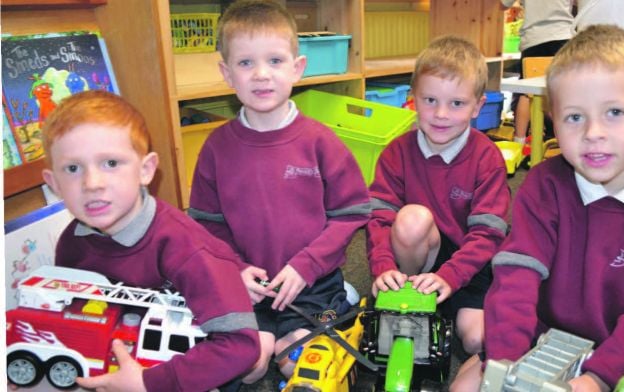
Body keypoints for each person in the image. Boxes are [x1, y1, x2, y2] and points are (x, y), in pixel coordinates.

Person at [475, 25, 624, 391]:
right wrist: (505, 366)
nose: (593, 132)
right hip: (547, 347)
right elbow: (515, 279)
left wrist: (597, 378)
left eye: (614, 112)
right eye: (575, 117)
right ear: (553, 122)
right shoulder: (544, 183)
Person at [187, 0, 371, 384]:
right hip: (248, 289)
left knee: (300, 364)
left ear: (297, 68)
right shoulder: (216, 147)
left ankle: (340, 300)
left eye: (274, 61)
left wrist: (306, 266)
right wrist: (234, 269)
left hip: (310, 285)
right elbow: (206, 224)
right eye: (245, 63)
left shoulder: (321, 142)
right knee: (248, 368)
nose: (260, 75)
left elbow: (352, 212)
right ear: (226, 73)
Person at [39, 90, 260, 392]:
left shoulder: (188, 249)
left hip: (188, 368)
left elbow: (239, 345)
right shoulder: (71, 242)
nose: (92, 184)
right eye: (73, 169)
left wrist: (148, 383)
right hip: (121, 354)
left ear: (145, 170)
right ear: (55, 185)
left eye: (111, 163)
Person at [365, 35, 511, 392]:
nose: (442, 114)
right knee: (412, 217)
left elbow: (488, 234)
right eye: (430, 100)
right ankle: (407, 298)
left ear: (478, 106)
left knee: (477, 339)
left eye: (457, 103)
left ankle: (443, 312)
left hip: (470, 264)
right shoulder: (396, 151)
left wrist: (451, 277)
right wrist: (383, 267)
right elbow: (379, 218)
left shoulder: (486, 157)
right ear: (413, 97)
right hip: (419, 255)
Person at [500, 0, 574, 145]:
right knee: (564, 93)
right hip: (563, 37)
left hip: (534, 39)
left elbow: (503, 4)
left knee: (526, 94)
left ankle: (518, 143)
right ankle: (567, 141)